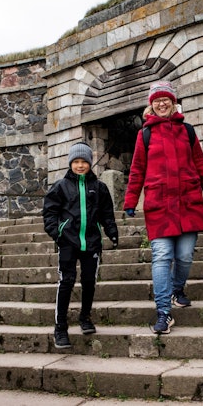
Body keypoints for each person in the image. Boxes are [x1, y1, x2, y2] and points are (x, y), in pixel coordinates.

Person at [123, 81, 203, 334]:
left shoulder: (187, 131)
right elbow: (137, 171)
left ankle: (178, 289)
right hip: (159, 206)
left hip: (188, 203)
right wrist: (131, 201)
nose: (162, 103)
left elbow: (200, 164)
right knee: (162, 256)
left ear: (173, 102)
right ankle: (164, 312)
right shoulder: (144, 134)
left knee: (185, 256)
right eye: (157, 100)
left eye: (166, 99)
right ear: (151, 105)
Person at [43, 142, 119, 349]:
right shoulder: (60, 186)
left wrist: (112, 232)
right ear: (70, 164)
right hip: (68, 241)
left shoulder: (100, 188)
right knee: (66, 282)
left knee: (89, 282)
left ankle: (85, 317)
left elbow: (107, 214)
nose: (80, 165)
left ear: (90, 163)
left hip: (92, 242)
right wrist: (56, 232)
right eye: (76, 162)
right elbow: (50, 212)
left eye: (83, 162)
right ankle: (60, 327)